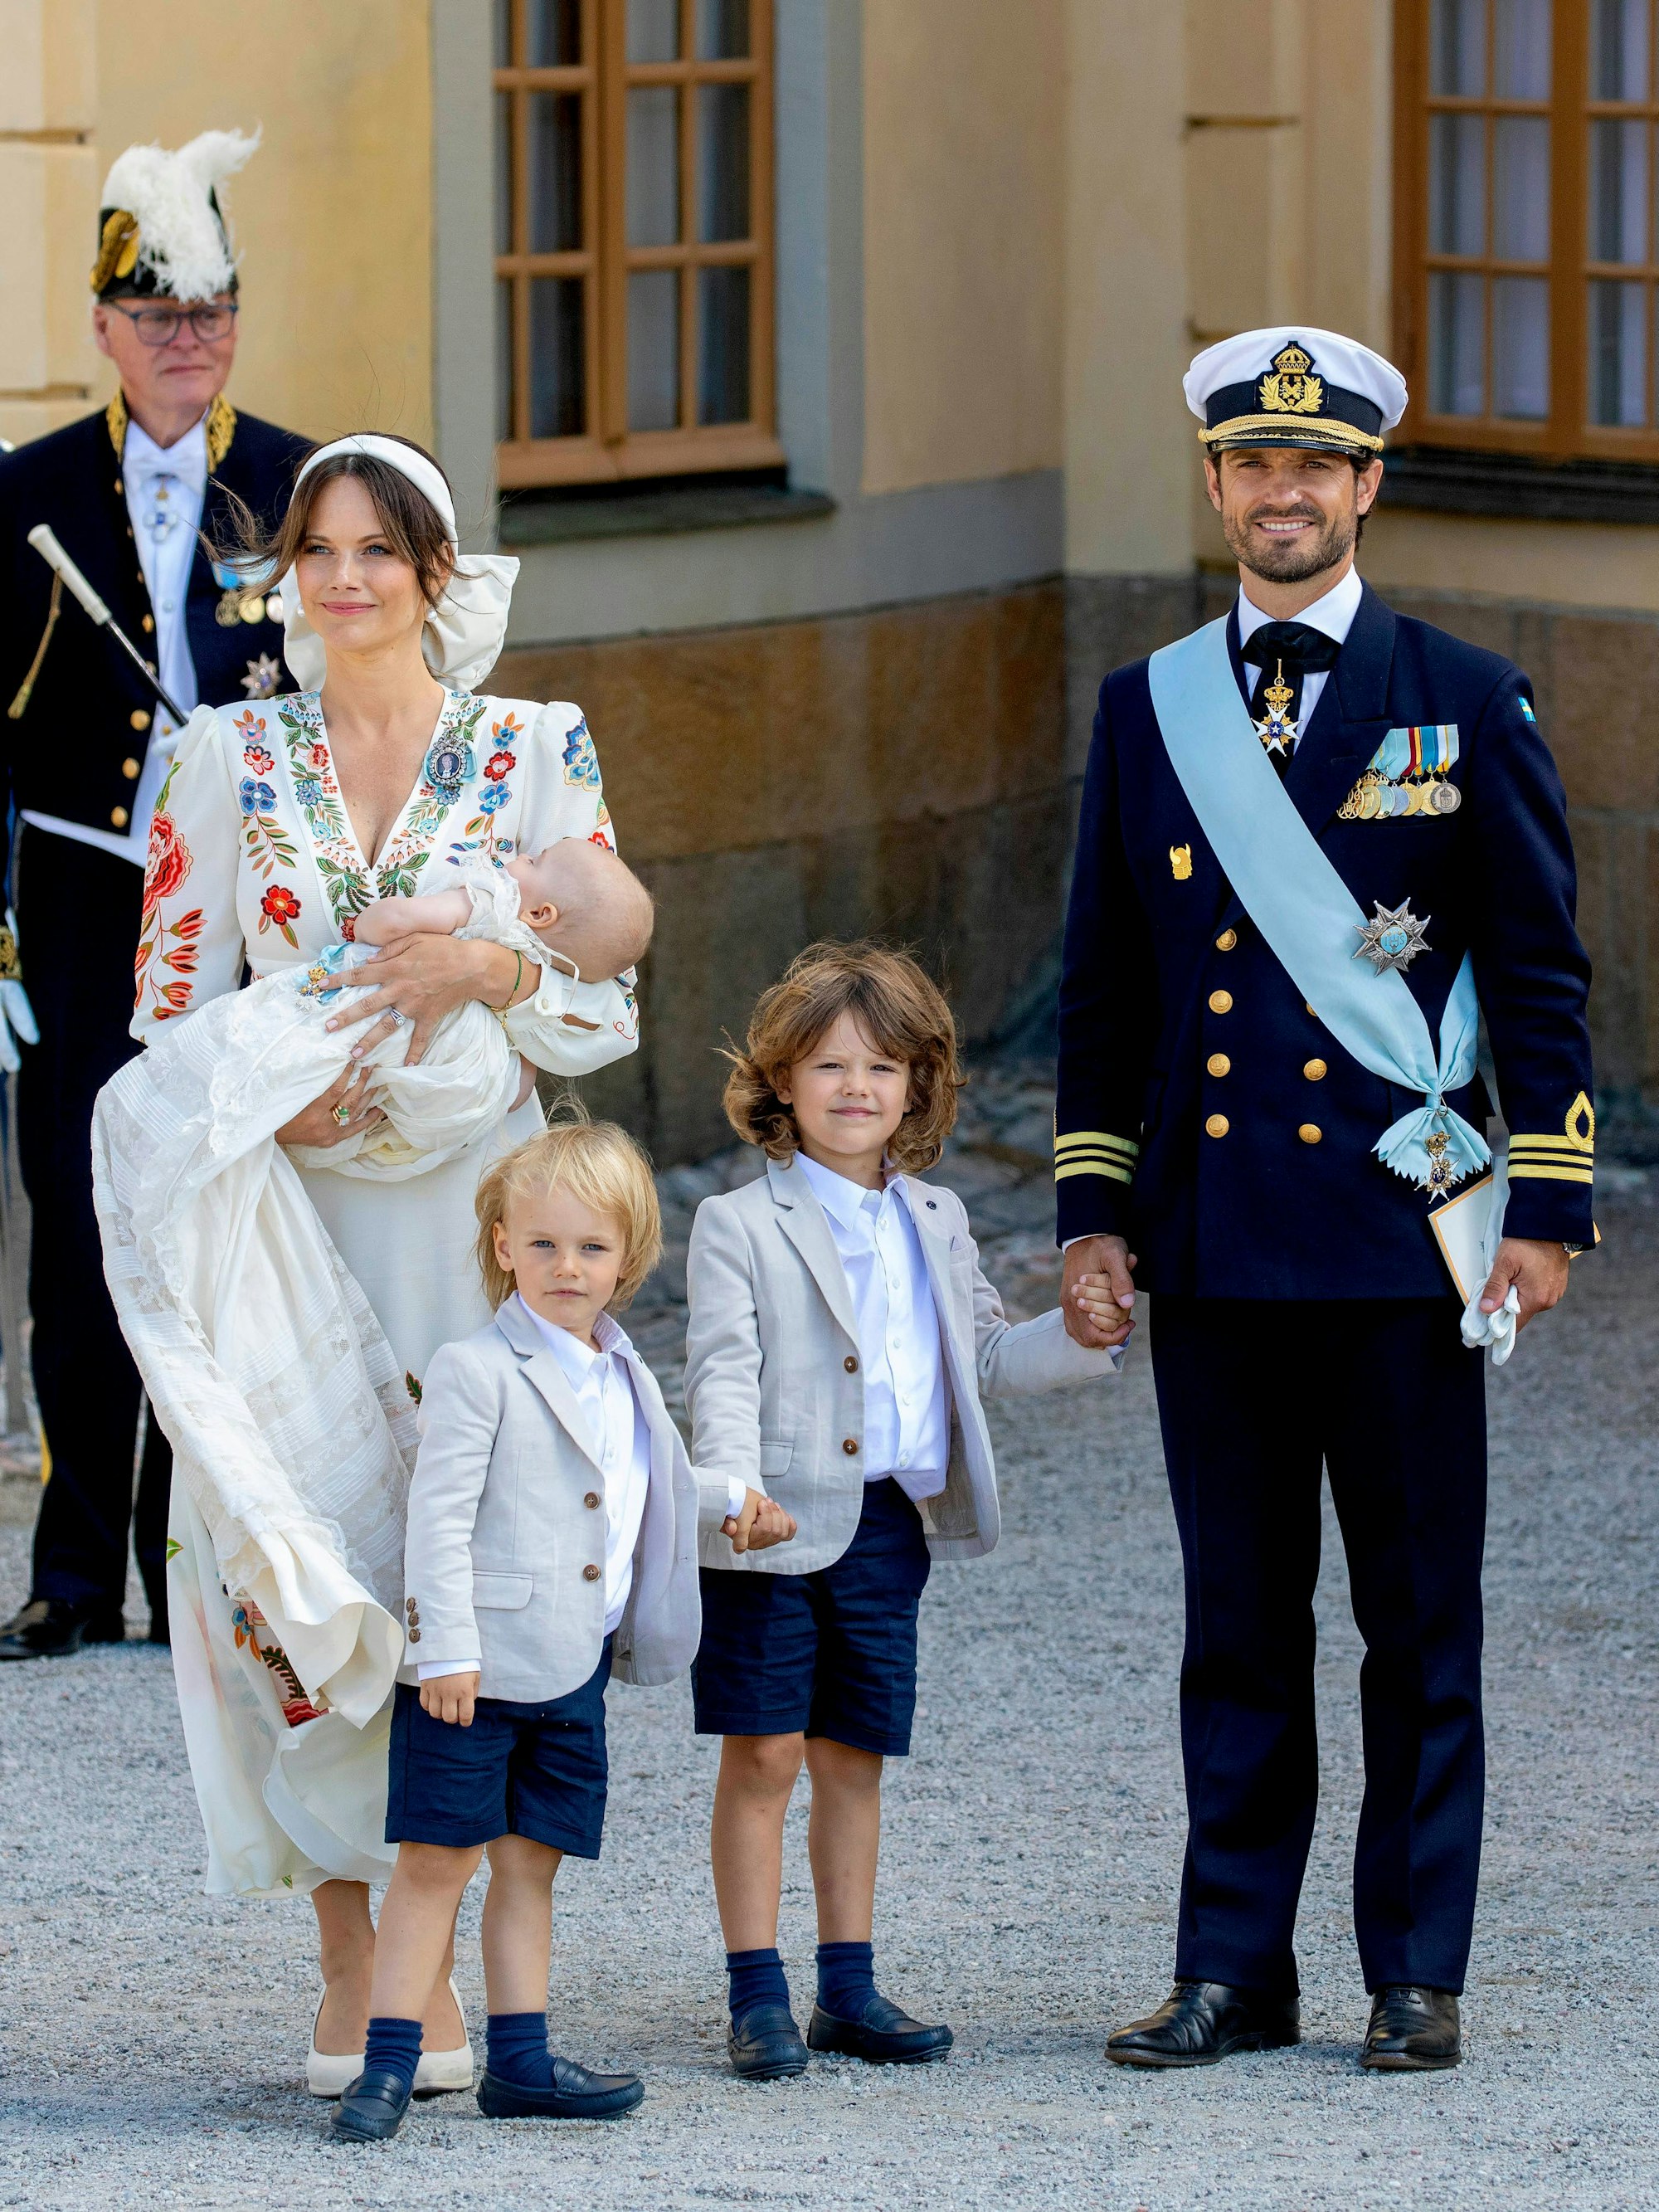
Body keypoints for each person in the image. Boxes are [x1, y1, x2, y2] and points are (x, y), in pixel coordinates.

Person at [1056, 328, 1594, 2073]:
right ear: (1215, 484)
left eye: (1314, 465)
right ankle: (1233, 1965)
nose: (1280, 493)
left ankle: (1414, 1967)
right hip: (1217, 1236)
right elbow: (1106, 989)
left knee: (1419, 1624)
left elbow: (1537, 969)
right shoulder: (1146, 708)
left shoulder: (1465, 696)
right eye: (1251, 465)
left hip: (1397, 1236)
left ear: (1366, 484)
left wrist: (1546, 1206)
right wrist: (1093, 1213)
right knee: (1235, 1624)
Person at [120, 427, 648, 2092]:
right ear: (288, 576)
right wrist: (266, 1093)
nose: (346, 579)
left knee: (462, 1558)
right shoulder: (223, 751)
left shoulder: (535, 747)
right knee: (291, 1555)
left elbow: (608, 1000)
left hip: (466, 1223)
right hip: (279, 1217)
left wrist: (485, 970)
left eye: (379, 549)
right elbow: (166, 1004)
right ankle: (351, 1961)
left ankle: (451, 1949)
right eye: (319, 550)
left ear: (436, 571)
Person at [685, 942, 1122, 2081]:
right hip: (772, 1521)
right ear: (781, 1080)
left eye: (882, 1066)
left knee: (853, 1753)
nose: (856, 1087)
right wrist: (730, 1487)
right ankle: (755, 1991)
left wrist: (1079, 1335)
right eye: (829, 1065)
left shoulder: (937, 1214)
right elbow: (721, 1369)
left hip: (886, 1523)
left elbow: (984, 1353)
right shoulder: (739, 1221)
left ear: (918, 1086)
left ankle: (847, 1985)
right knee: (764, 1751)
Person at [333, 1117, 795, 2142]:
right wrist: (445, 1647)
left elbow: (643, 1479)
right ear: (503, 1245)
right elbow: (436, 1517)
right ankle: (386, 2066)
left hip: (570, 1664)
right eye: (542, 1243)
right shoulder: (475, 1366)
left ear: (627, 1258)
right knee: (435, 1862)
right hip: (472, 1668)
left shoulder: (625, 1372)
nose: (566, 1266)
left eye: (590, 1246)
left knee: (530, 1862)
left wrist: (732, 1497)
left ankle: (522, 2059)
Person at [0, 129, 305, 1661]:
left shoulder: (301, 482)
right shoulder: (26, 489)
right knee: (76, 1223)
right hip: (76, 895)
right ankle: (72, 1573)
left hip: (244, 905)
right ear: (104, 327)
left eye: (211, 311)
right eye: (158, 315)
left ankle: (188, 1560)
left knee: (219, 1223)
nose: (189, 339)